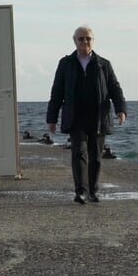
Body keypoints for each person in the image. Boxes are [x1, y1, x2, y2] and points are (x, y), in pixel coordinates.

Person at [46, 25, 128, 204]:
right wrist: (52, 118)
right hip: (75, 116)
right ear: (74, 41)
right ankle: (80, 192)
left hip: (98, 116)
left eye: (88, 38)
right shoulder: (66, 63)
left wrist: (120, 109)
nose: (84, 41)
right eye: (81, 38)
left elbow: (114, 88)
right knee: (79, 153)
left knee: (95, 156)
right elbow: (57, 90)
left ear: (93, 40)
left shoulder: (103, 64)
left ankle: (93, 191)